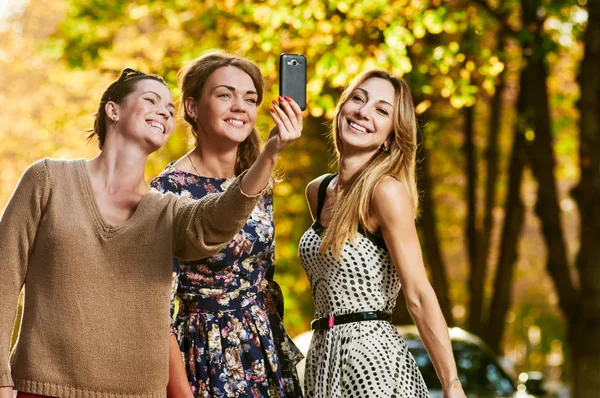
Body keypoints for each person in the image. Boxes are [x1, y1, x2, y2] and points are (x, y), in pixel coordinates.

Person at [0, 66, 301, 398]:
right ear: (112, 110)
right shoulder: (48, 179)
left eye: (169, 110)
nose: (163, 111)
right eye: (151, 100)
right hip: (44, 387)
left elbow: (217, 221)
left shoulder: (167, 210)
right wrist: (2, 378)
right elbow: (4, 278)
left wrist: (272, 151)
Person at [299, 70, 467, 398]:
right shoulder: (317, 191)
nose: (364, 111)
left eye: (381, 110)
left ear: (390, 136)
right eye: (358, 99)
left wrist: (452, 384)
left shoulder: (385, 192)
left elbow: (418, 292)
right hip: (321, 358)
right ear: (342, 109)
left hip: (372, 361)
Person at [150, 51, 303, 398]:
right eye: (225, 94)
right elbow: (157, 310)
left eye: (250, 99)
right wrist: (181, 393)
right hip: (207, 355)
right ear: (191, 107)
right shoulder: (167, 190)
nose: (240, 106)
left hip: (263, 349)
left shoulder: (257, 182)